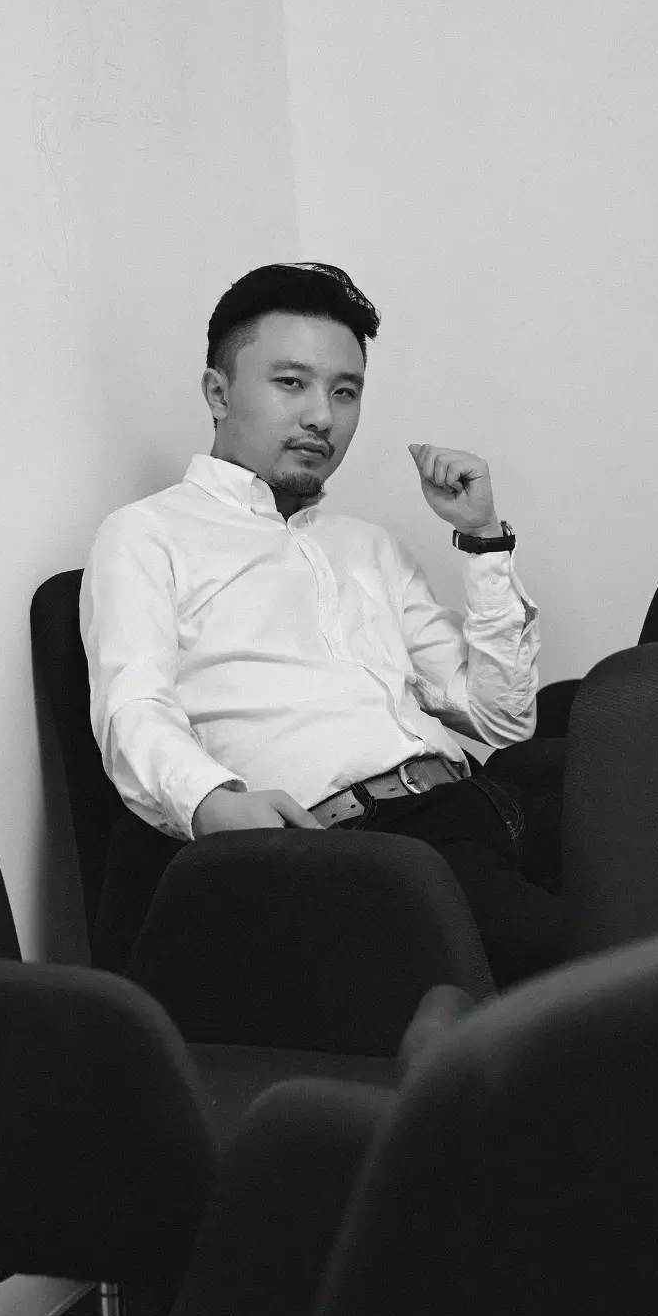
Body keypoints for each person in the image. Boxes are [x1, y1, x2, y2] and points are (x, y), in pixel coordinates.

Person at [79, 262, 564, 986]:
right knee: (610, 964)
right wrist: (210, 803)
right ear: (218, 392)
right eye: (290, 383)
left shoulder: (368, 545)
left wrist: (483, 539)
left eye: (345, 391)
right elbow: (132, 708)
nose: (322, 417)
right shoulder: (147, 534)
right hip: (366, 850)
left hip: (486, 807)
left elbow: (501, 719)